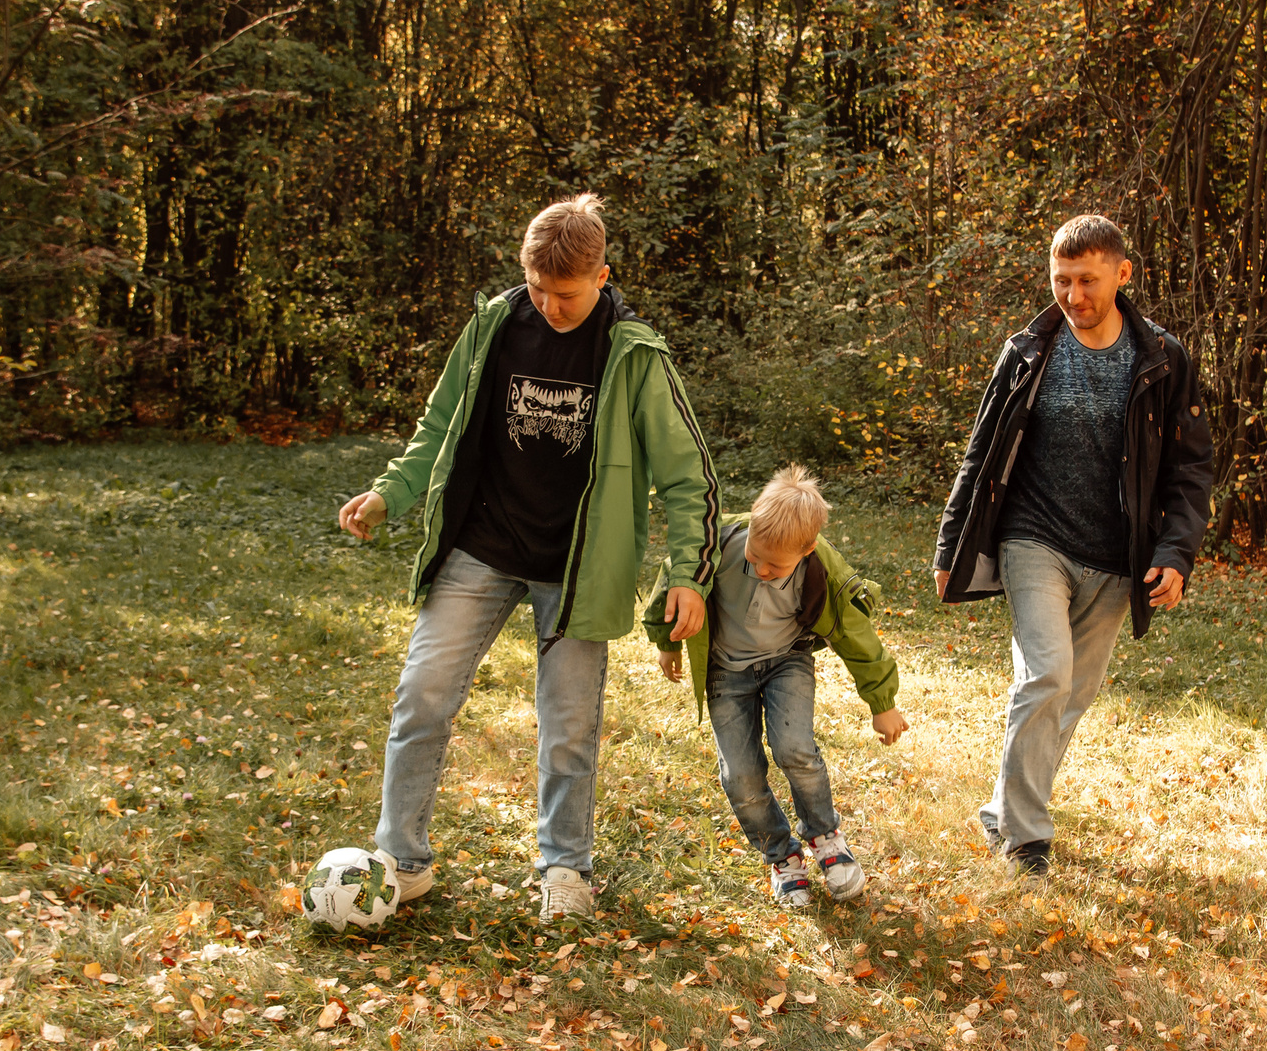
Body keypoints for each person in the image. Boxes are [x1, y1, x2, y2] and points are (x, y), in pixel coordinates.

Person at [337, 193, 718, 924]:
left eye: (565, 293)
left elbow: (687, 472)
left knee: (568, 725)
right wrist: (392, 491)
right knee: (423, 694)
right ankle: (401, 861)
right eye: (537, 287)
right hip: (482, 546)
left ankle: (566, 867)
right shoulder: (494, 325)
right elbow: (440, 421)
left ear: (603, 275)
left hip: (577, 568)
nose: (547, 304)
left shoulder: (634, 353)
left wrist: (688, 575)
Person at [932, 214, 1216, 874]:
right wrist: (951, 547)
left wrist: (1174, 554)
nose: (1073, 294)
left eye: (1087, 280)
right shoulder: (1029, 350)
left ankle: (1003, 811)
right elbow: (981, 453)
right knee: (1046, 675)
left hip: (1117, 560)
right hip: (1035, 538)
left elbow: (1191, 470)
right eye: (1062, 279)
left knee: (1070, 695)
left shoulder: (1162, 360)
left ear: (1122, 273)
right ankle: (1027, 840)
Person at [648, 465, 908, 903]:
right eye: (757, 557)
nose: (764, 568)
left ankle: (826, 838)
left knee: (795, 749)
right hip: (726, 671)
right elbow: (675, 579)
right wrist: (666, 641)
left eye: (776, 564)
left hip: (787, 662)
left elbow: (855, 634)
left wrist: (881, 702)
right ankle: (781, 857)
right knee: (741, 774)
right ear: (751, 521)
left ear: (806, 549)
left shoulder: (821, 569)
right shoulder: (721, 545)